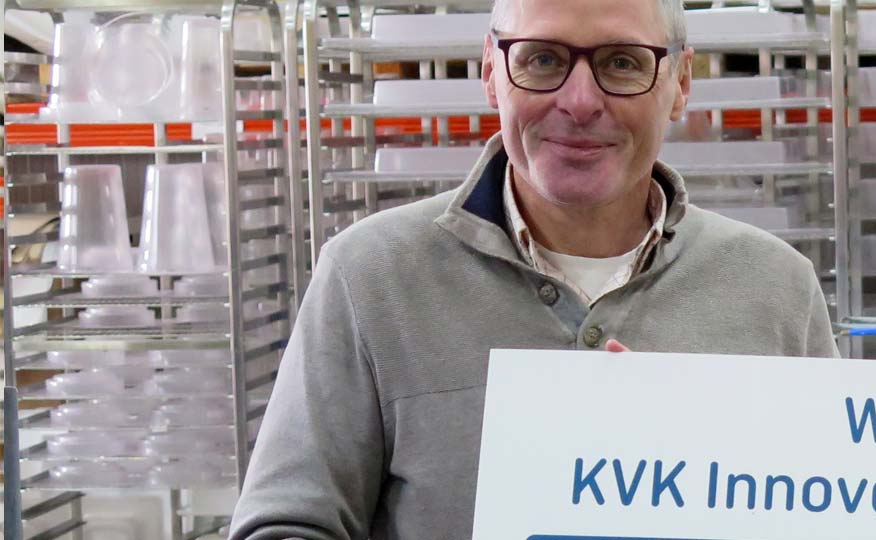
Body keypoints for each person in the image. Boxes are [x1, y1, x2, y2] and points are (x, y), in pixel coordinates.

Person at [228, 0, 837, 536]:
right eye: (543, 59)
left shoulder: (777, 288)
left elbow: (836, 516)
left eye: (622, 62)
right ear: (491, 72)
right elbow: (287, 524)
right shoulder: (368, 277)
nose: (580, 102)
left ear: (680, 82)